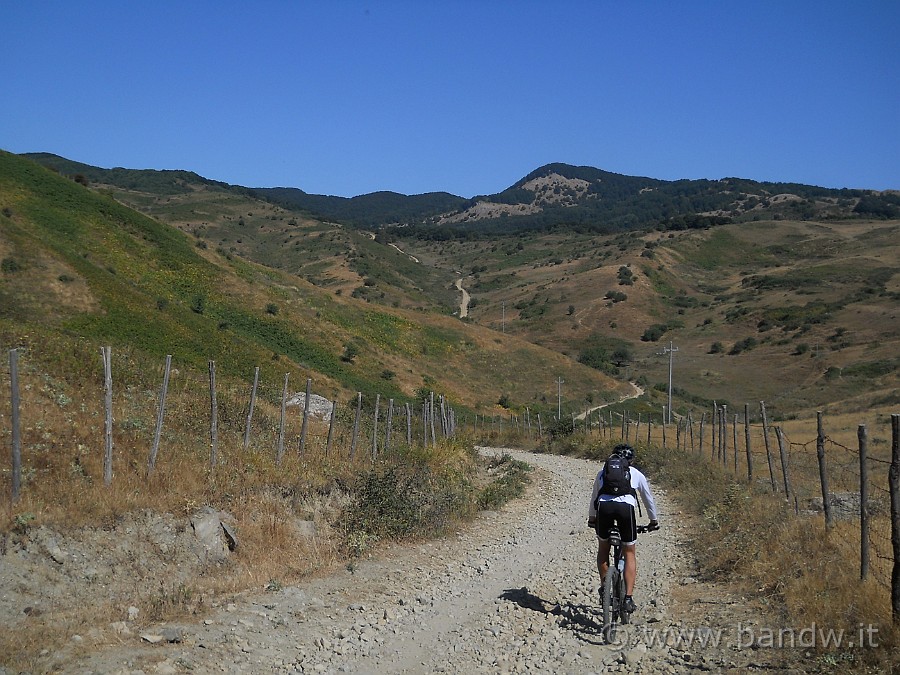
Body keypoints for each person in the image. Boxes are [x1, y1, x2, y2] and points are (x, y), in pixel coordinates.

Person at [588, 443, 659, 613]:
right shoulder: (636, 474)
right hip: (625, 510)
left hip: (604, 509)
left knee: (603, 549)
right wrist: (653, 521)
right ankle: (628, 598)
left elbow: (594, 498)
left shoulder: (602, 473)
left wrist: (592, 518)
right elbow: (648, 499)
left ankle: (605, 588)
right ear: (631, 461)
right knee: (629, 553)